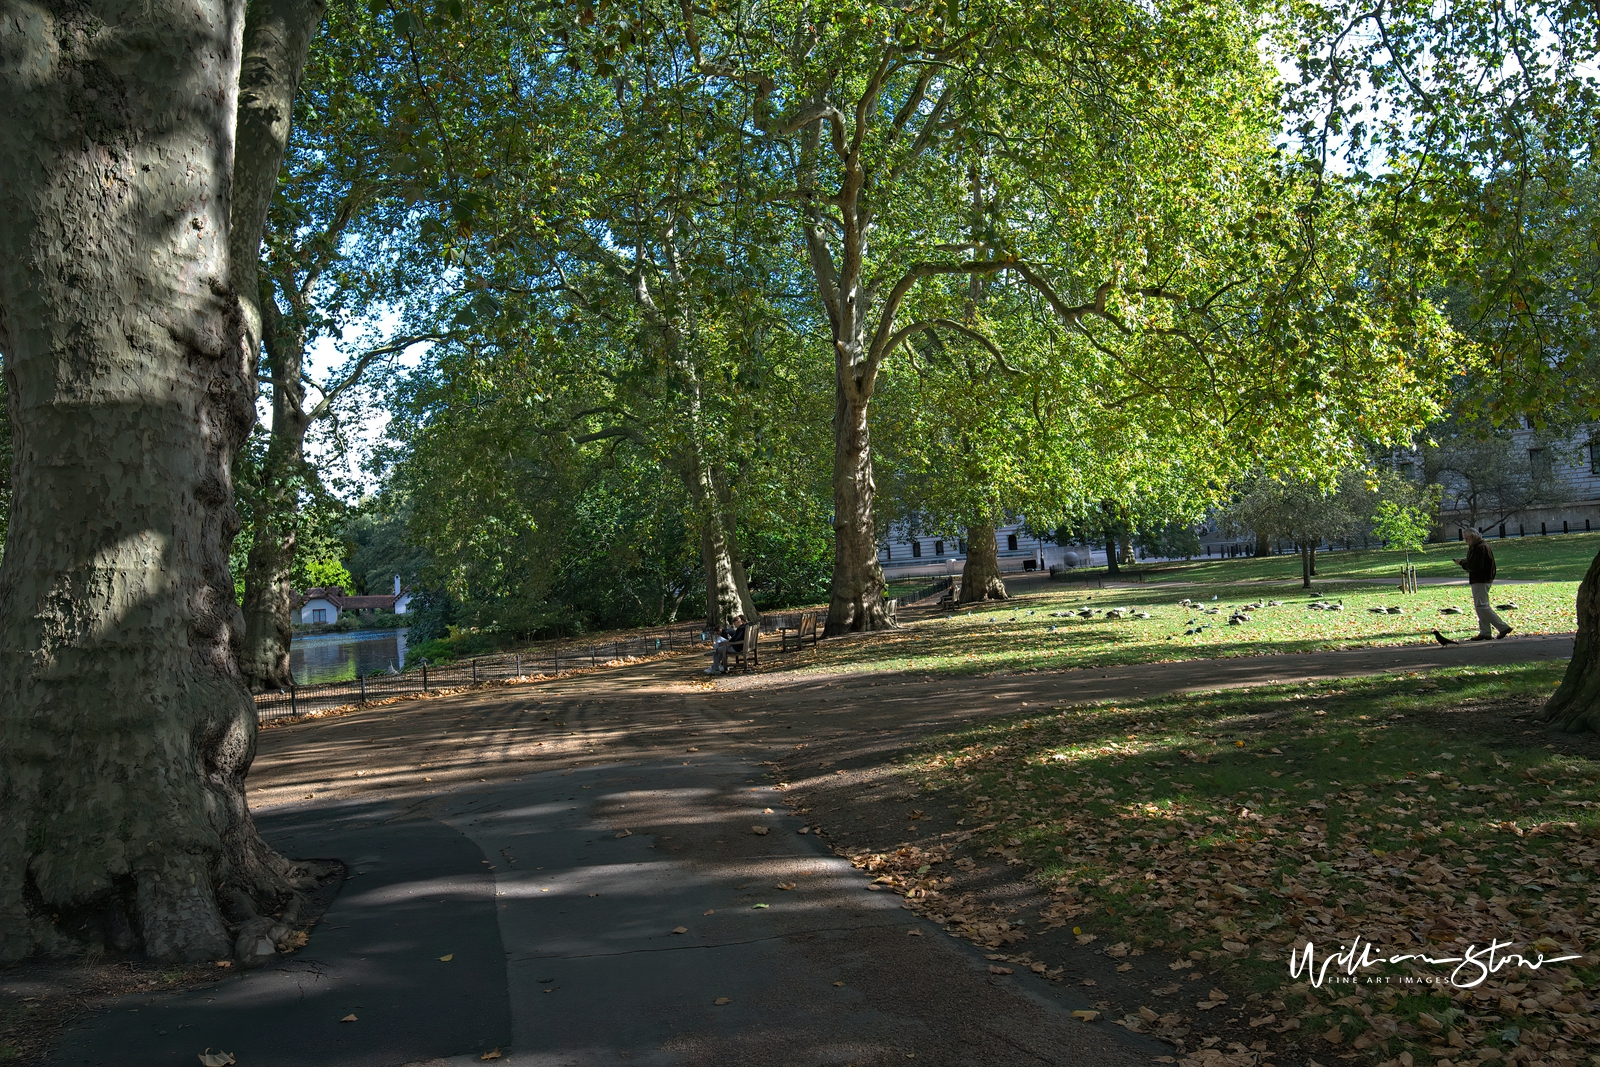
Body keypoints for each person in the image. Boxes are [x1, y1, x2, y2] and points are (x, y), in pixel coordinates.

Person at [1454, 529, 1512, 641]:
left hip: (1481, 579)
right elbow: (1474, 563)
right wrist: (1464, 562)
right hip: (1481, 578)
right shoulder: (1479, 546)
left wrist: (1462, 563)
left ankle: (1502, 627)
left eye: (1466, 538)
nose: (1465, 541)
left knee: (1482, 606)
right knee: (1480, 606)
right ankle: (1485, 631)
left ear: (1472, 537)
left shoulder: (1480, 547)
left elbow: (1476, 566)